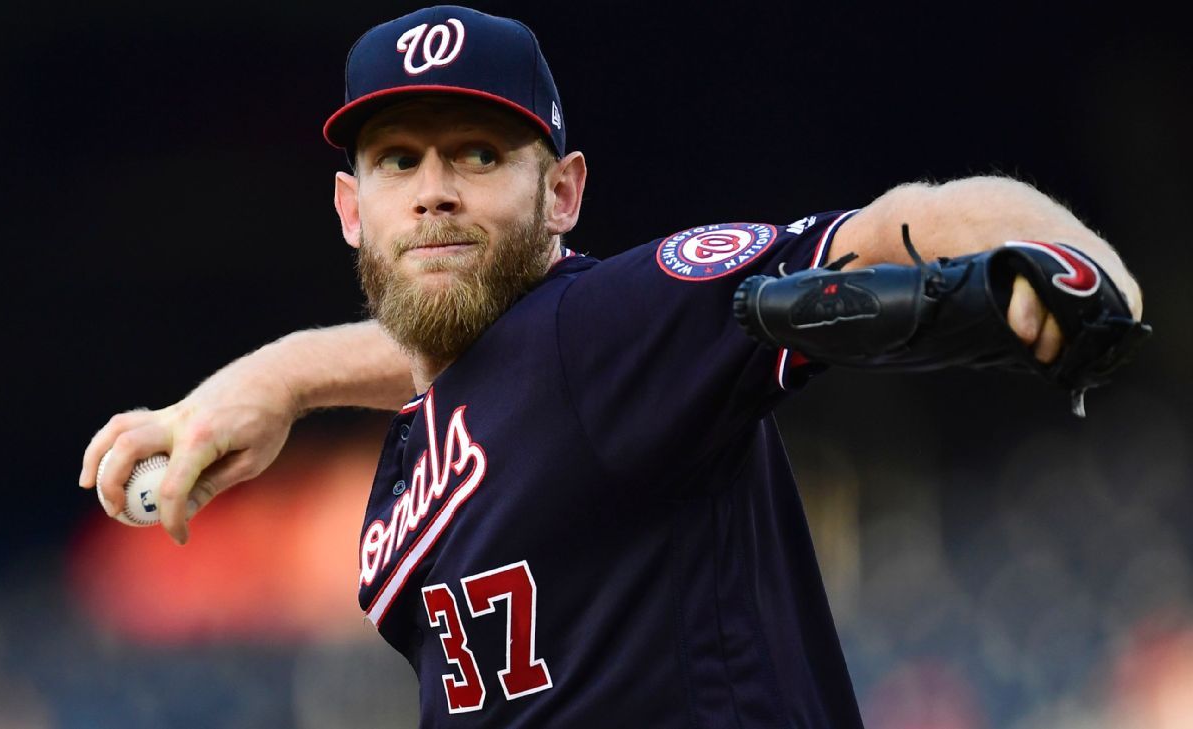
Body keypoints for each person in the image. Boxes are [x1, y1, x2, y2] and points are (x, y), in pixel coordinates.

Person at [78, 6, 1144, 727]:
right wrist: (272, 382)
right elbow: (467, 361)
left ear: (564, 194)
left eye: (480, 155)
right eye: (400, 160)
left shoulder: (620, 322)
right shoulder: (430, 434)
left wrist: (1070, 261)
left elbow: (901, 224)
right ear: (354, 211)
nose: (435, 189)